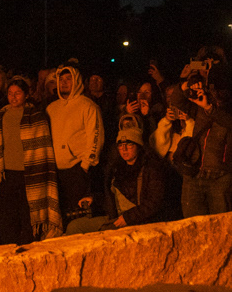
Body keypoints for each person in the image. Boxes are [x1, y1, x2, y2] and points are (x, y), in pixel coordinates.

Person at [0, 76, 61, 246]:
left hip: (29, 175)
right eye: (10, 93)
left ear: (26, 95)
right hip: (4, 175)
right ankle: (9, 249)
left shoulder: (37, 116)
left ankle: (27, 251)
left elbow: (43, 149)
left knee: (28, 216)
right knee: (6, 217)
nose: (13, 97)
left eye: (18, 93)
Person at [46, 64, 104, 228]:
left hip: (78, 170)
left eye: (68, 79)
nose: (64, 83)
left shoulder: (88, 106)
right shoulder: (51, 108)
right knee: (62, 217)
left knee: (79, 218)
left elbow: (96, 136)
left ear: (77, 81)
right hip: (57, 172)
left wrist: (86, 165)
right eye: (61, 79)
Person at [173, 70, 232, 216]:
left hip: (220, 178)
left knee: (219, 227)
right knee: (192, 225)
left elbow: (228, 121)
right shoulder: (200, 103)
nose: (215, 93)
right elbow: (176, 101)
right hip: (194, 174)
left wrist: (209, 108)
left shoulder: (223, 108)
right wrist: (188, 85)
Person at [99, 123, 167, 229]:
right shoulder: (115, 168)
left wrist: (128, 218)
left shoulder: (151, 169)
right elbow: (110, 197)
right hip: (118, 216)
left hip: (139, 220)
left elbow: (154, 203)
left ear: (139, 146)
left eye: (129, 144)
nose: (124, 149)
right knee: (75, 227)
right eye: (120, 145)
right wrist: (93, 199)